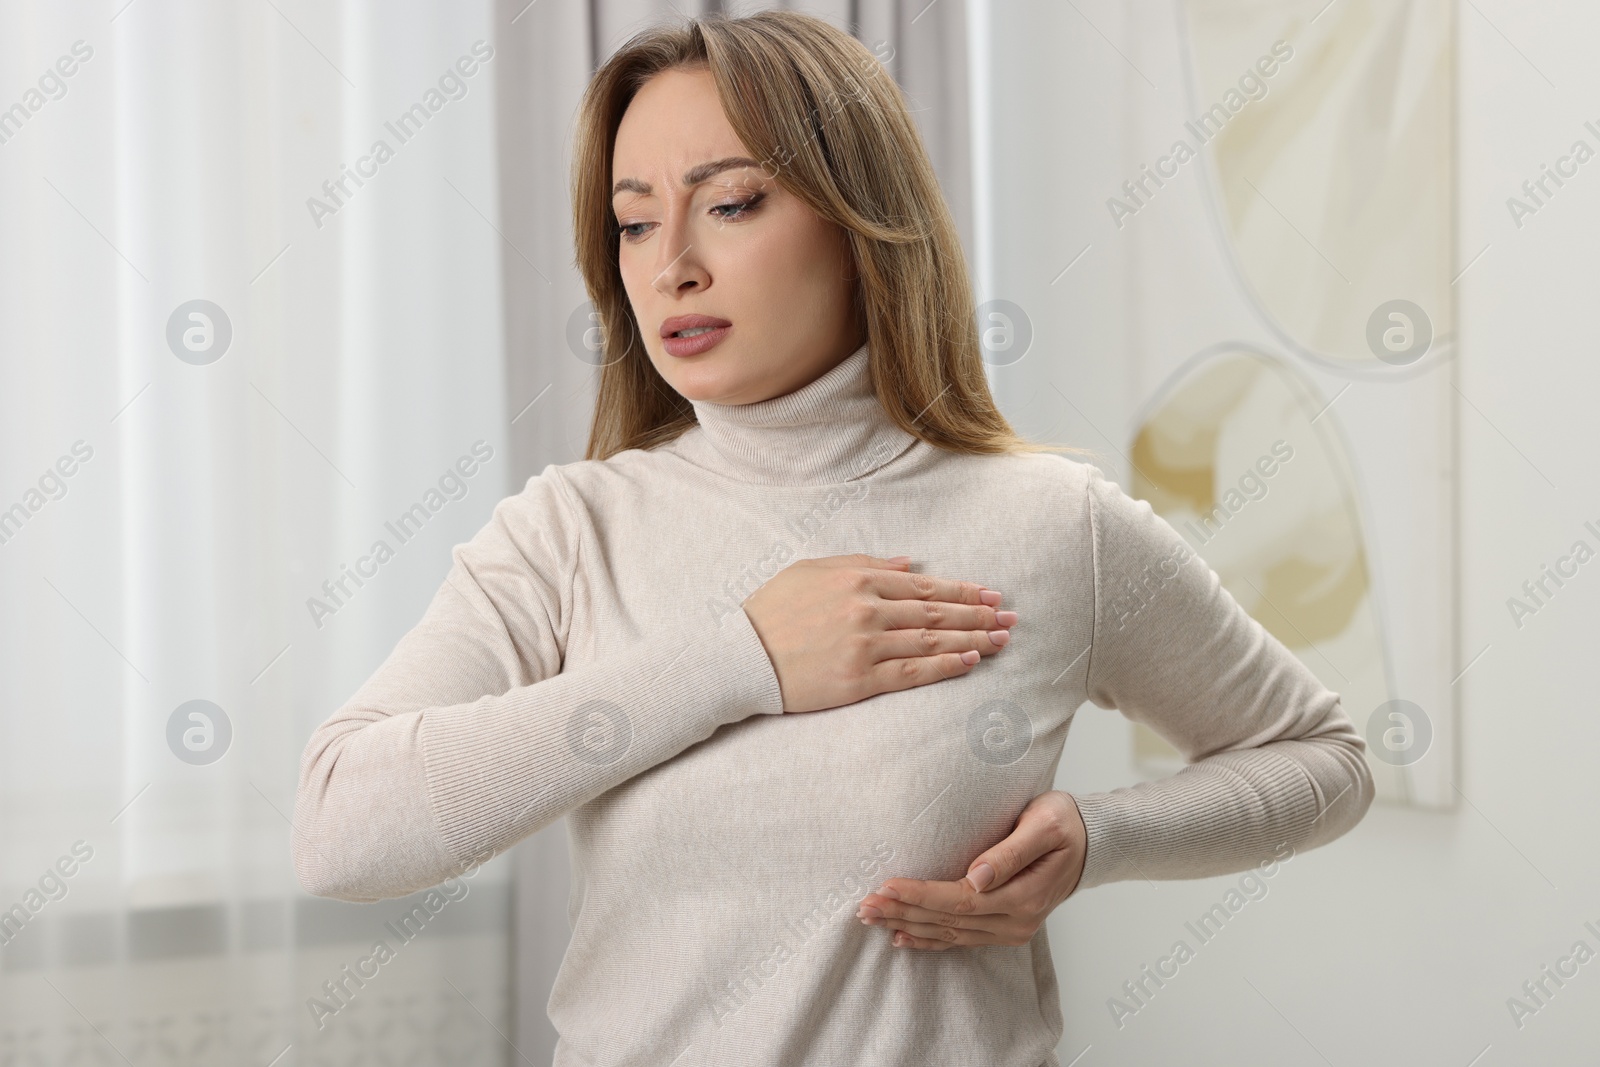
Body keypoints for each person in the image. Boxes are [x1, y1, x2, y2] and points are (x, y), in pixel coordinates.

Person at [292, 11, 1373, 1065]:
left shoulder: (1047, 523)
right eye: (632, 220)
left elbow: (1324, 761)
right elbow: (343, 829)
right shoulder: (570, 531)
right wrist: (740, 658)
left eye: (732, 203)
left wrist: (1100, 838)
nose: (670, 263)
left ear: (858, 221)